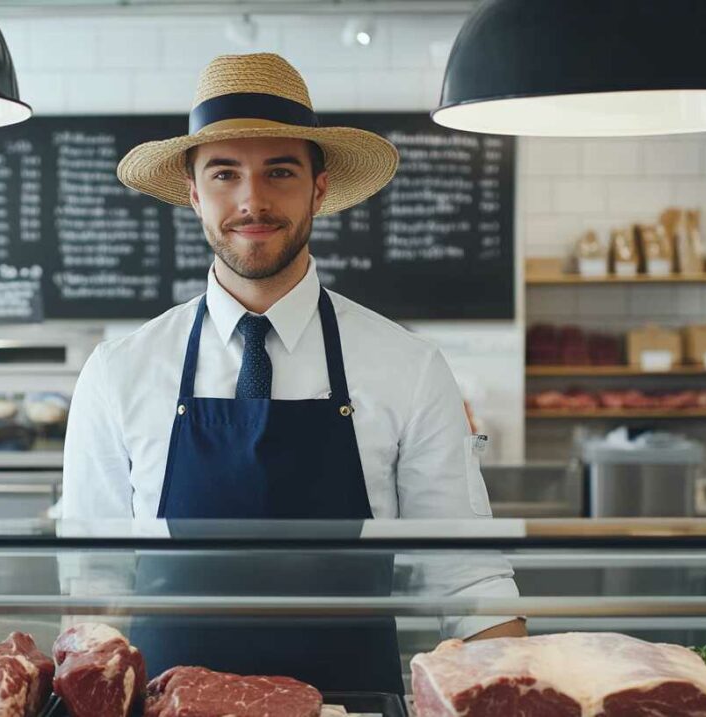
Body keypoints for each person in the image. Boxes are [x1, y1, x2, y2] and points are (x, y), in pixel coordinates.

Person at [62, 52, 524, 693]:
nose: (253, 200)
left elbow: (467, 576)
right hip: (170, 704)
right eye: (225, 174)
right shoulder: (120, 371)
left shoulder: (408, 366)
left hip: (351, 704)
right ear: (193, 194)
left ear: (320, 188)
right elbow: (93, 586)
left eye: (280, 171)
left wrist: (520, 695)